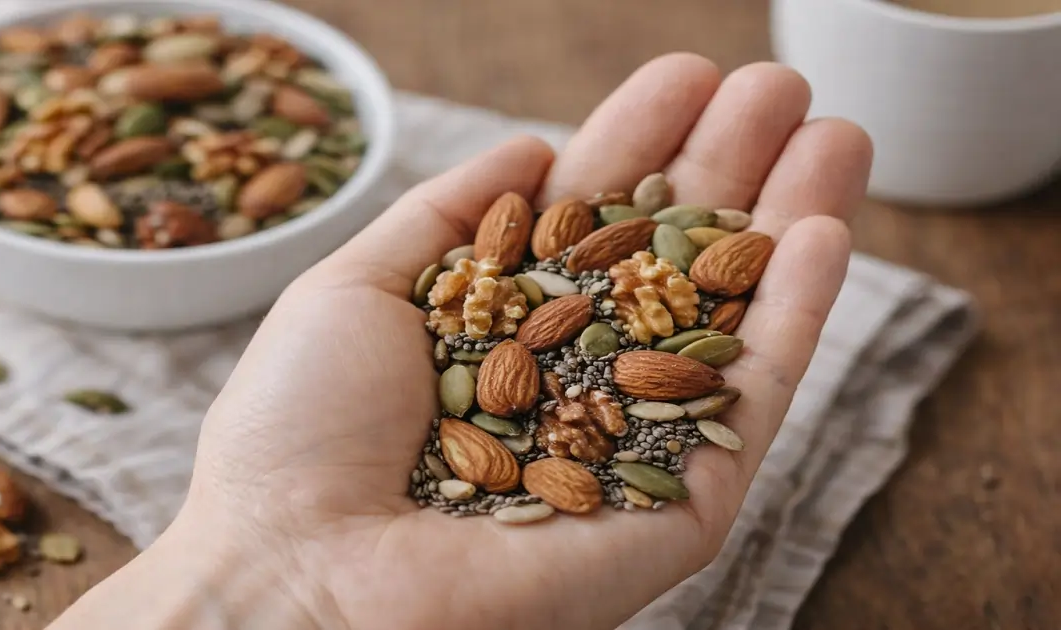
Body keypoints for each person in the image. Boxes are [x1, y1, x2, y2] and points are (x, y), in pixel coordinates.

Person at [47, 53, 872, 630]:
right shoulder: (505, 363)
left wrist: (276, 583)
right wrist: (275, 565)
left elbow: (589, 364)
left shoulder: (600, 340)